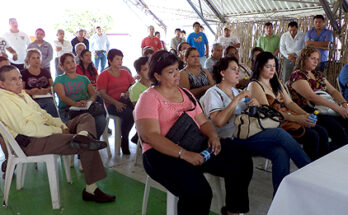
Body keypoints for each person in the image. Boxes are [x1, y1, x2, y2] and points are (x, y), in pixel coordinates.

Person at [135, 50, 253, 215]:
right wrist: (184, 154)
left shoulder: (186, 94)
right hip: (161, 154)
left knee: (241, 159)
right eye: (170, 72)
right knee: (199, 193)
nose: (177, 75)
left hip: (193, 143)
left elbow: (203, 122)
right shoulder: (148, 98)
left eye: (177, 69)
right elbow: (150, 136)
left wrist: (213, 136)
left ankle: (233, 211)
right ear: (157, 75)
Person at [0, 65, 115, 203]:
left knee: (86, 118)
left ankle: (83, 136)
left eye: (19, 77)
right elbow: (26, 129)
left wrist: (60, 124)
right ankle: (91, 189)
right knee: (87, 144)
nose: (19, 81)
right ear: (2, 84)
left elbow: (43, 114)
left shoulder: (22, 94)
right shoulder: (4, 100)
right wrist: (57, 130)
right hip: (31, 142)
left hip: (46, 131)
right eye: (13, 79)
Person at [200, 56, 310, 194]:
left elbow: (248, 116)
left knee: (280, 153)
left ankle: (280, 199)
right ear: (222, 73)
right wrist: (237, 99)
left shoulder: (236, 91)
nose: (237, 73)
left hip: (246, 134)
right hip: (229, 140)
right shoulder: (214, 93)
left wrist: (255, 106)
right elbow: (219, 122)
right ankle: (309, 171)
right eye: (233, 69)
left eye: (238, 70)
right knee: (279, 134)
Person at [248, 52, 329, 160]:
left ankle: (320, 167)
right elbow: (269, 113)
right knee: (312, 136)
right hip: (275, 122)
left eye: (274, 66)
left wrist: (305, 115)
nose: (273, 70)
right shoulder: (255, 85)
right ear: (259, 68)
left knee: (321, 131)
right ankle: (308, 170)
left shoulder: (275, 82)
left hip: (287, 116)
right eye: (268, 67)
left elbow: (289, 103)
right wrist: (297, 119)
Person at [288, 46, 348, 151]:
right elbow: (312, 97)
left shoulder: (317, 74)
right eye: (312, 58)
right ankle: (333, 157)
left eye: (317, 59)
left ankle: (339, 154)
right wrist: (338, 109)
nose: (316, 62)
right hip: (310, 111)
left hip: (326, 108)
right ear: (304, 58)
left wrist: (344, 104)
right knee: (337, 128)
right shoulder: (298, 75)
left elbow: (333, 91)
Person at [54, 53, 106, 139]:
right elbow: (63, 97)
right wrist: (76, 104)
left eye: (73, 61)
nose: (71, 65)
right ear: (62, 66)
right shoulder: (60, 79)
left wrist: (88, 102)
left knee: (101, 121)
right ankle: (87, 145)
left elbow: (93, 94)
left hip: (86, 108)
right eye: (68, 63)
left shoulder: (84, 78)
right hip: (68, 111)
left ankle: (90, 142)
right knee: (87, 121)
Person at [97, 49, 135, 154]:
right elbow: (103, 94)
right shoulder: (104, 75)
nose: (120, 62)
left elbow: (133, 85)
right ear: (110, 60)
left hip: (126, 101)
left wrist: (128, 91)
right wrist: (116, 103)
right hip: (111, 104)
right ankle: (125, 139)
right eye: (117, 59)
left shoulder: (125, 72)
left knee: (140, 110)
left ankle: (137, 137)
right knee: (129, 114)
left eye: (121, 59)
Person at [21, 48, 58, 118]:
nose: (36, 60)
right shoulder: (24, 73)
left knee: (51, 105)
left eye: (38, 58)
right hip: (32, 99)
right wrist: (31, 91)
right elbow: (21, 90)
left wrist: (47, 90)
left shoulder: (45, 72)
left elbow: (53, 86)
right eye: (33, 58)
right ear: (28, 60)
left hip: (46, 97)